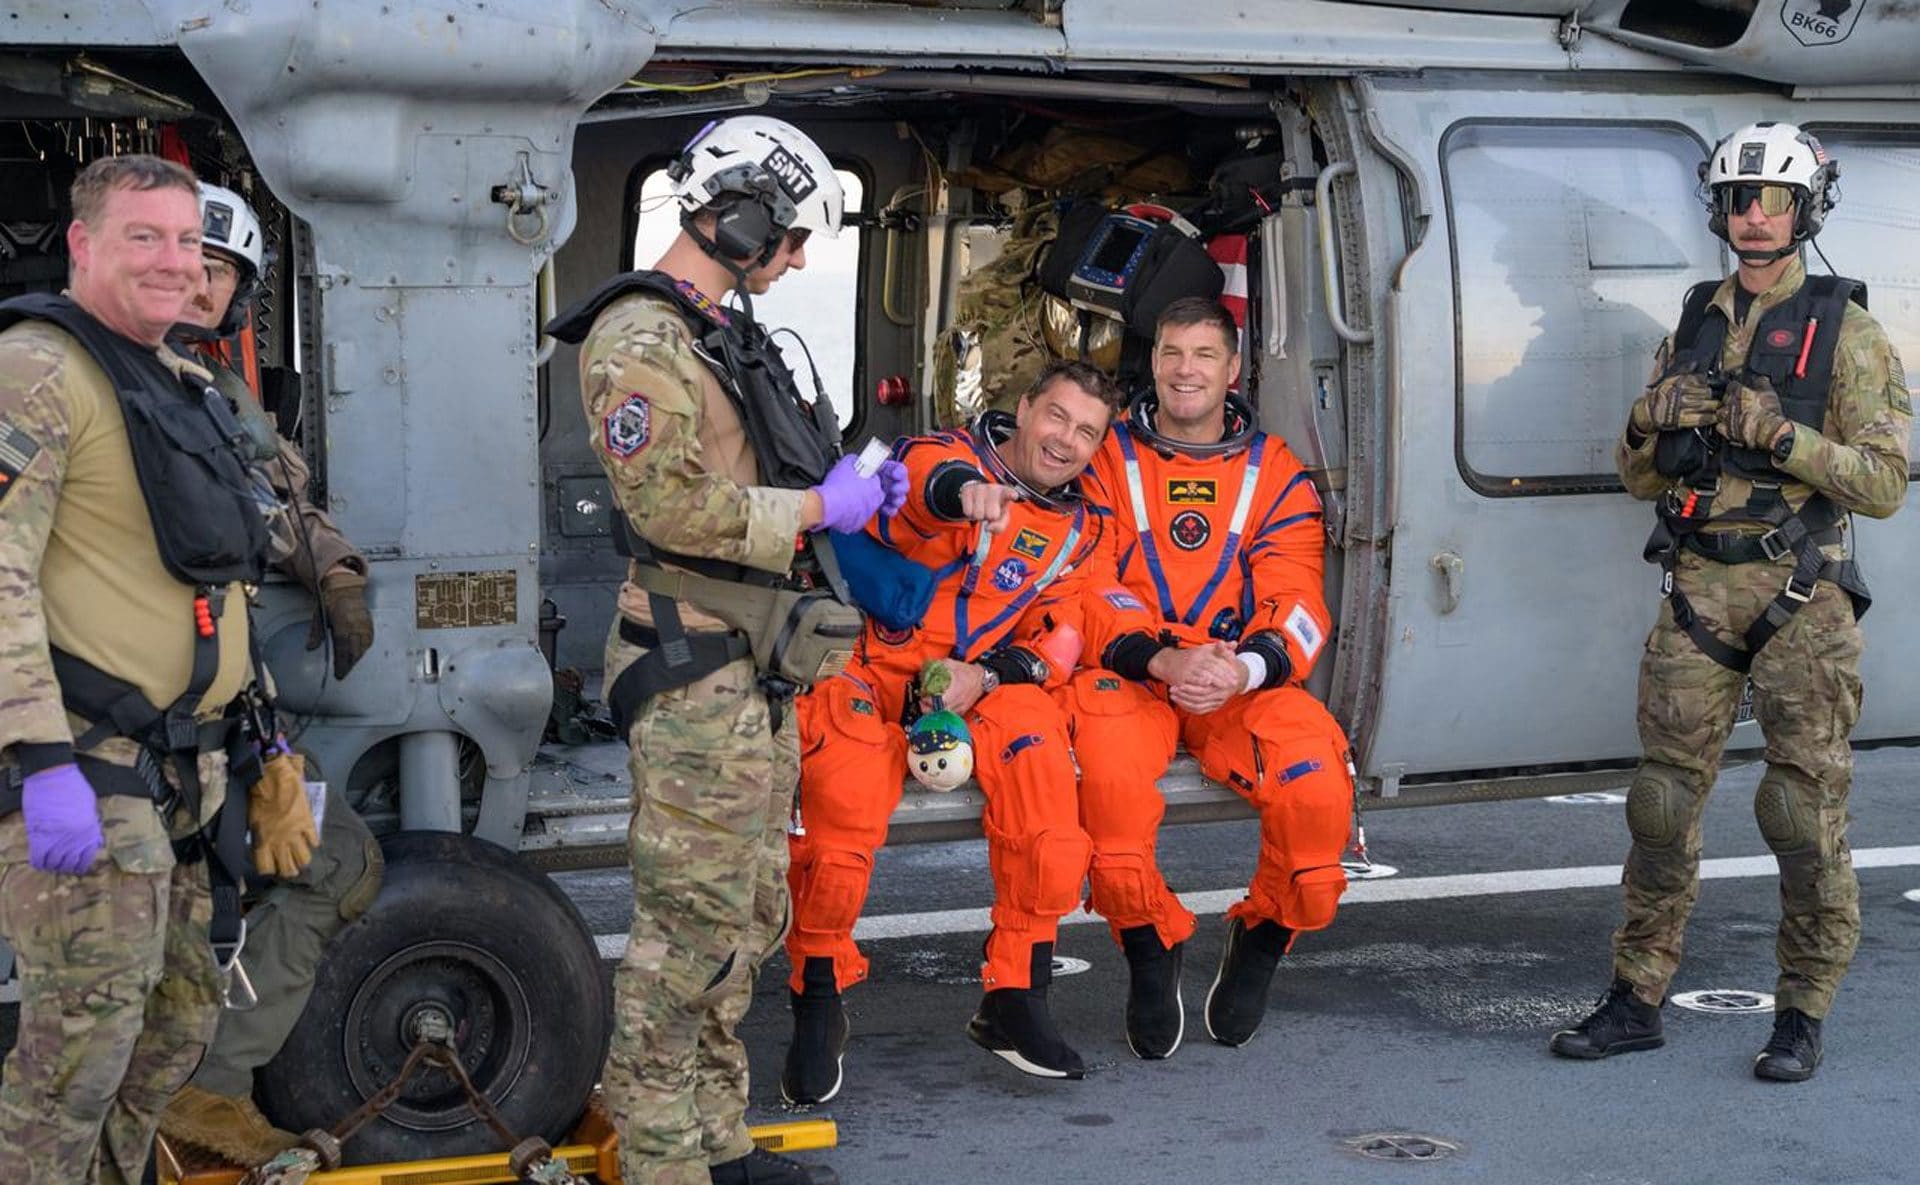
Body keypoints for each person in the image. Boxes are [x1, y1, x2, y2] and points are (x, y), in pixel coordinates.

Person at [544, 116, 903, 1185]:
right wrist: (814, 507)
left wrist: (839, 500)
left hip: (752, 670)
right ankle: (660, 1163)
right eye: (788, 238)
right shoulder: (641, 339)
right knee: (683, 941)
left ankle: (718, 1143)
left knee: (745, 920)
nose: (794, 261)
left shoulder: (709, 331)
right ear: (738, 215)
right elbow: (670, 508)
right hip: (695, 669)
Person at [1549, 122, 1910, 1081]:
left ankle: (1802, 1009)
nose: (1755, 215)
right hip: (1697, 588)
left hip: (1803, 595)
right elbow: (1638, 475)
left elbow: (1884, 481)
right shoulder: (1695, 320)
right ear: (1721, 210)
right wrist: (1646, 417)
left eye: (1774, 200)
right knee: (1660, 804)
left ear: (1803, 211)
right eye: (1741, 199)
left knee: (1801, 807)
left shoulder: (1850, 331)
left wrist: (1781, 438)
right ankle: (1637, 994)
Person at [0, 154, 315, 1185]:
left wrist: (263, 739)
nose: (175, 263)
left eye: (187, 242)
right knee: (75, 1070)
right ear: (84, 244)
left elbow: (218, 584)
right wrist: (39, 757)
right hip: (91, 769)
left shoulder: (180, 384)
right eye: (145, 238)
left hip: (193, 774)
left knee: (169, 1039)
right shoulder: (40, 369)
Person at [782, 360, 1161, 1100]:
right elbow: (921, 492)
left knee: (1043, 767)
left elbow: (1064, 638)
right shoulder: (944, 455)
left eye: (1087, 432)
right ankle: (819, 994)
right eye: (1056, 417)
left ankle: (1016, 995)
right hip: (866, 663)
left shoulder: (1085, 530)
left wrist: (983, 677)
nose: (1065, 440)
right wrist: (968, 495)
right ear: (1022, 408)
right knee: (844, 794)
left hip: (971, 679)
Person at [1057, 297, 1353, 1058]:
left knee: (1319, 803)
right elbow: (1088, 584)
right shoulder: (1104, 462)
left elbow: (1300, 601)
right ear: (1152, 362)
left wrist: (1243, 667)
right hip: (1132, 676)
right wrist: (1161, 657)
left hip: (1236, 682)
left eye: (1204, 355)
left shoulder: (1276, 474)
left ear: (1233, 368)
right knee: (1112, 815)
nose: (1186, 370)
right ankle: (1151, 946)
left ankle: (1263, 934)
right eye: (1171, 353)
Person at [157, 182, 385, 1165]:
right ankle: (187, 1096)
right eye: (176, 260)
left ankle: (199, 1093)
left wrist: (330, 565)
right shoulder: (95, 389)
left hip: (213, 716)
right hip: (126, 727)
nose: (194, 284)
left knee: (332, 864)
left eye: (215, 271)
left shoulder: (211, 394)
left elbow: (277, 494)